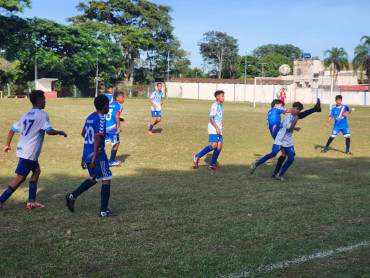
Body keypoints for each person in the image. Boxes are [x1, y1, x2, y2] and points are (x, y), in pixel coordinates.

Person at [0, 90, 67, 211]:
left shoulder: (26, 115)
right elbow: (49, 131)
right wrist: (60, 132)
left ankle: (31, 202)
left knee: (36, 171)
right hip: (29, 152)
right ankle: (1, 200)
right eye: (44, 99)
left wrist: (7, 145)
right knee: (20, 178)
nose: (45, 102)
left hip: (24, 149)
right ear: (40, 100)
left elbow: (12, 130)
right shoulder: (42, 115)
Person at [65, 95, 118, 217]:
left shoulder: (90, 117)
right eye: (108, 105)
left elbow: (83, 133)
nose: (109, 107)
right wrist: (95, 155)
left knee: (94, 178)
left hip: (87, 152)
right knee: (106, 178)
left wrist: (90, 149)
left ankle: (72, 196)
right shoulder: (101, 118)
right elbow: (98, 136)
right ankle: (104, 211)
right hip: (97, 154)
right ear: (105, 106)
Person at [266, 98, 321, 177]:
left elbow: (279, 125)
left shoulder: (271, 113)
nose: (282, 107)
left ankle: (275, 173)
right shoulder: (275, 111)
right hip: (280, 136)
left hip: (279, 134)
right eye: (281, 106)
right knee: (283, 154)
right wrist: (295, 110)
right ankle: (276, 173)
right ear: (276, 105)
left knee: (284, 154)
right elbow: (289, 114)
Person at [250, 102, 304, 180]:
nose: (298, 112)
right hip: (279, 137)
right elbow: (288, 129)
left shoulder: (275, 113)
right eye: (298, 109)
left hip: (286, 139)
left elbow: (284, 126)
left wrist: (295, 128)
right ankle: (255, 164)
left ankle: (278, 174)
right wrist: (295, 121)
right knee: (274, 153)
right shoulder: (287, 115)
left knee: (289, 157)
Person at [192, 90, 225, 171]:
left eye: (224, 96)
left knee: (219, 146)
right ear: (217, 97)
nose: (224, 98)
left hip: (218, 128)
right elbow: (211, 117)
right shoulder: (215, 105)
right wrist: (217, 128)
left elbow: (218, 117)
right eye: (222, 96)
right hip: (214, 128)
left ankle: (212, 164)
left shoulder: (220, 106)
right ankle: (196, 156)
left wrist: (220, 125)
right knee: (214, 145)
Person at [105, 91, 125, 167]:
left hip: (105, 127)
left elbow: (110, 114)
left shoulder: (110, 104)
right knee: (117, 143)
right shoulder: (119, 105)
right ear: (117, 98)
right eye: (122, 97)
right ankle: (112, 161)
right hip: (112, 127)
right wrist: (119, 128)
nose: (124, 99)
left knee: (101, 144)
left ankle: (96, 159)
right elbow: (116, 115)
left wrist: (120, 119)